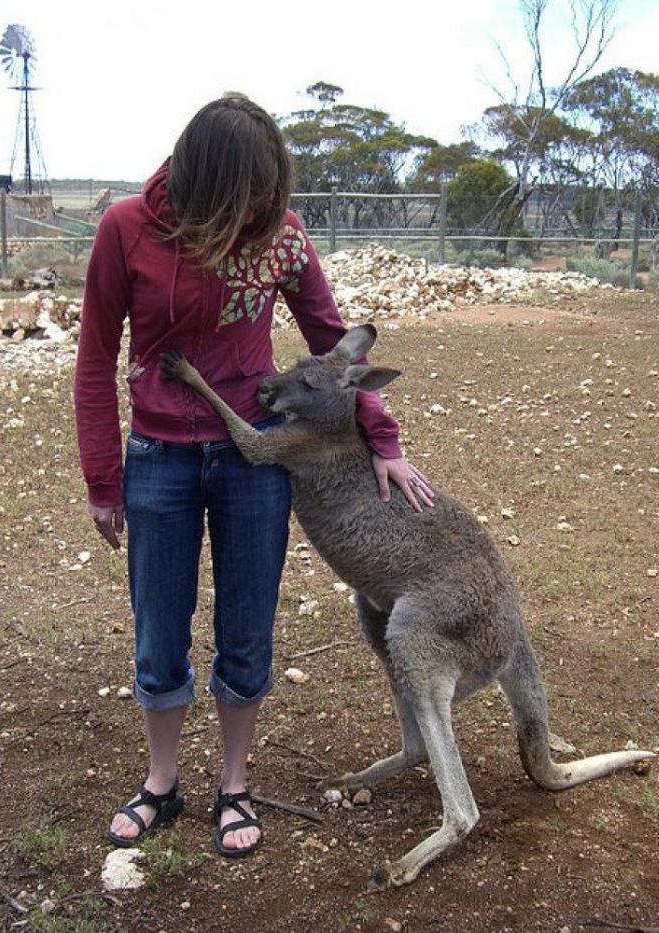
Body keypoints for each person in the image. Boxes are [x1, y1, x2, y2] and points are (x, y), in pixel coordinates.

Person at [73, 95, 434, 858]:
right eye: (253, 195)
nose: (268, 210)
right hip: (159, 460)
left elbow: (336, 347)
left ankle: (233, 784)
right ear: (210, 184)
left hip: (253, 462)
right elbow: (94, 356)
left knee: (246, 630)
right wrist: (103, 478)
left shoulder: (281, 238)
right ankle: (161, 782)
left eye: (275, 195)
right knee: (159, 630)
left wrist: (385, 438)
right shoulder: (125, 229)